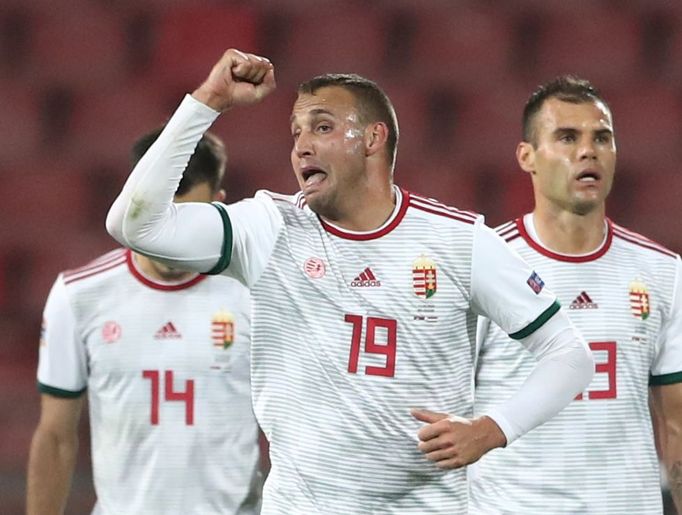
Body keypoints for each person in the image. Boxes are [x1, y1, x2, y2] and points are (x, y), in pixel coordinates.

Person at [105, 48, 594, 513]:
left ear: (373, 139)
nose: (302, 146)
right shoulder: (269, 228)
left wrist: (493, 428)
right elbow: (133, 224)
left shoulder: (459, 242)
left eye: (322, 127)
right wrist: (207, 102)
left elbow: (571, 356)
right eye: (296, 132)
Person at [469, 75, 682, 514]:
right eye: (567, 137)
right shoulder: (482, 266)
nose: (588, 151)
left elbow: (678, 425)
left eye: (602, 138)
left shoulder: (664, 273)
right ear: (527, 156)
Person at [27, 128, 263, 515]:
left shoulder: (254, 294)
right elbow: (54, 436)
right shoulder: (79, 295)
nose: (172, 238)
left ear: (220, 207)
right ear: (135, 204)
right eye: (159, 216)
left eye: (189, 219)